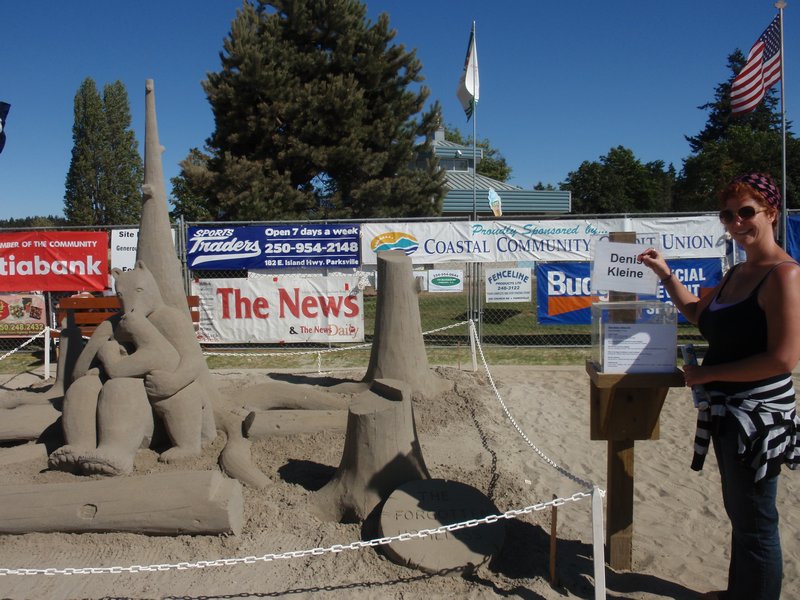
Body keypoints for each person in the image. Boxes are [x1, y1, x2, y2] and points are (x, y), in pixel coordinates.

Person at [638, 172, 800, 600]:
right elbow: (696, 313)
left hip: (758, 421)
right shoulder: (736, 273)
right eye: (727, 215)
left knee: (757, 523)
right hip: (730, 415)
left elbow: (783, 359)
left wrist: (708, 375)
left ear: (771, 213)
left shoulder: (784, 275)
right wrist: (665, 273)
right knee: (742, 515)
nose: (736, 222)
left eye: (746, 212)